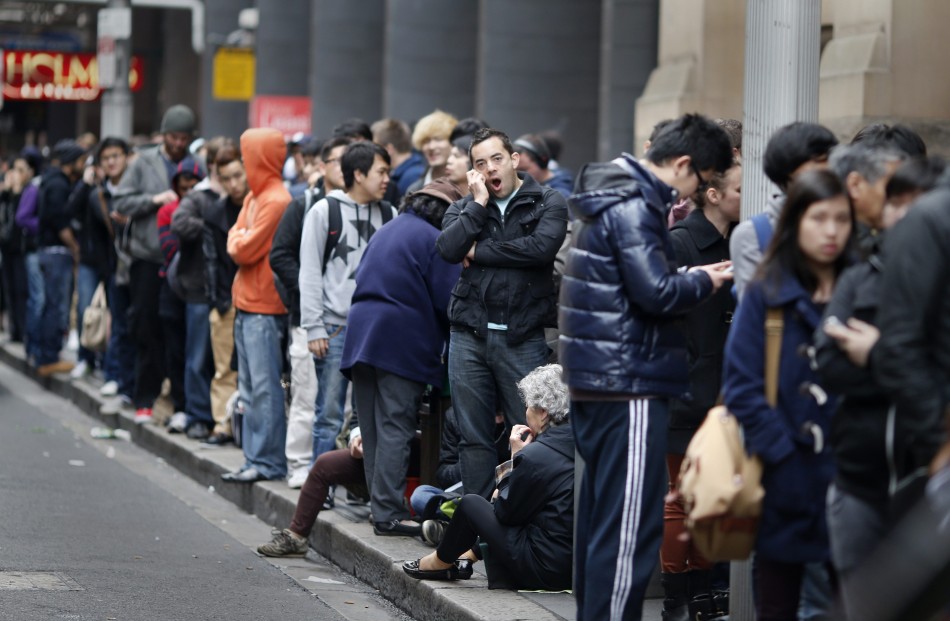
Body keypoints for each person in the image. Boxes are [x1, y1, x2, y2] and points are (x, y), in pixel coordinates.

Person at [559, 113, 734, 621]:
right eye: (700, 182)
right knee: (629, 532)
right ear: (682, 164)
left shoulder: (614, 194)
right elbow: (655, 292)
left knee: (606, 524)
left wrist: (689, 273)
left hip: (601, 377)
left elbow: (633, 282)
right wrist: (705, 281)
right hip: (629, 380)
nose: (694, 196)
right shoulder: (636, 204)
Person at [815, 156, 946, 619]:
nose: (906, 218)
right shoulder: (858, 276)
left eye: (917, 205)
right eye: (898, 204)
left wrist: (876, 352)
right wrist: (896, 364)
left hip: (926, 470)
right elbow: (829, 359)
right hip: (859, 473)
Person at [722, 169, 854, 621]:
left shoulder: (866, 290)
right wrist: (781, 455)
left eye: (842, 218)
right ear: (797, 221)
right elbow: (741, 385)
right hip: (786, 474)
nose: (832, 230)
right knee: (777, 600)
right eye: (819, 218)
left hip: (855, 475)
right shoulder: (768, 291)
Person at [436, 127, 568, 500]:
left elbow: (540, 250)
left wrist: (478, 252)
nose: (490, 168)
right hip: (469, 335)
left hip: (522, 337)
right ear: (473, 172)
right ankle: (472, 529)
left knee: (528, 430)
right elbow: (447, 248)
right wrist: (477, 205)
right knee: (472, 437)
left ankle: (518, 517)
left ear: (514, 160)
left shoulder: (548, 200)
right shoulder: (465, 207)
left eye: (496, 158)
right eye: (480, 163)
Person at [340, 180, 463, 537]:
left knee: (374, 427)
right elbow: (448, 301)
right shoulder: (434, 239)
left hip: (361, 336)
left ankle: (380, 509)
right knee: (396, 425)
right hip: (399, 340)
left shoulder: (388, 229)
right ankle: (390, 513)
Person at [403, 363, 574, 590]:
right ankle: (466, 557)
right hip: (577, 568)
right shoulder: (584, 444)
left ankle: (440, 562)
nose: (525, 412)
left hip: (544, 569)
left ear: (543, 413)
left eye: (528, 406)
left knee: (471, 504)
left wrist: (515, 459)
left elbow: (505, 513)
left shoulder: (537, 454)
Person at [662, 158, 742, 619]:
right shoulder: (682, 242)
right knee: (680, 497)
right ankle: (678, 598)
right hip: (687, 386)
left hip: (724, 387)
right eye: (738, 187)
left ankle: (704, 593)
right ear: (713, 194)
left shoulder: (738, 239)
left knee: (711, 496)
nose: (746, 194)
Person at [299, 142, 396, 466]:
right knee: (328, 413)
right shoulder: (324, 211)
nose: (387, 179)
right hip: (334, 326)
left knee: (368, 414)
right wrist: (314, 327)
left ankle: (358, 487)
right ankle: (321, 487)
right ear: (358, 173)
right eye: (381, 172)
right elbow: (310, 271)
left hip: (375, 330)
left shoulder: (389, 212)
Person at [113, 104, 204, 423]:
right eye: (173, 137)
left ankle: (181, 403)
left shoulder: (198, 164)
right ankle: (145, 398)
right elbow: (120, 201)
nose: (178, 143)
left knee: (181, 333)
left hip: (188, 261)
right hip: (148, 259)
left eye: (184, 138)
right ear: (164, 135)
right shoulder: (143, 163)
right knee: (146, 326)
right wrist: (154, 201)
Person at [270, 136, 351, 487]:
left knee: (341, 403)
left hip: (349, 321)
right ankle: (300, 465)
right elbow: (280, 256)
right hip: (308, 319)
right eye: (339, 162)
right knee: (306, 393)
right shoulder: (304, 204)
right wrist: (310, 291)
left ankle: (337, 469)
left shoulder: (370, 207)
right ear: (322, 166)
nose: (349, 170)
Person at [221, 128, 291, 483]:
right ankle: (254, 458)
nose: (245, 164)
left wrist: (239, 239)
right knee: (250, 388)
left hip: (265, 306)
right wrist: (239, 238)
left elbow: (242, 249)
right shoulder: (255, 197)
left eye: (249, 157)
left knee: (263, 388)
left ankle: (266, 461)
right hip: (249, 303)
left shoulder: (275, 200)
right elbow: (235, 240)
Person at [730, 122, 838, 299]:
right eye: (813, 172)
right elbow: (756, 310)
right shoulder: (754, 235)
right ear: (786, 175)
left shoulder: (847, 223)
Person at [67, 137, 135, 400]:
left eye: (116, 156)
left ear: (125, 157)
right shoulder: (95, 191)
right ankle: (86, 359)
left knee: (117, 319)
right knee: (86, 309)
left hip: (117, 264)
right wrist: (85, 184)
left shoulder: (130, 188)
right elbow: (69, 210)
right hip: (90, 260)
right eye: (106, 158)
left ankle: (113, 373)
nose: (111, 162)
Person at [199, 145, 247, 446]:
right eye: (226, 178)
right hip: (226, 299)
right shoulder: (215, 211)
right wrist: (218, 300)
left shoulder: (258, 205)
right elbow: (210, 260)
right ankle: (222, 424)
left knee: (255, 370)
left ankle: (245, 427)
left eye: (238, 176)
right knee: (224, 369)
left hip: (256, 299)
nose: (233, 184)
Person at [35, 140, 87, 376]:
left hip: (49, 252)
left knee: (52, 304)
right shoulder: (58, 184)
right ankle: (49, 357)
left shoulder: (51, 180)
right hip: (56, 252)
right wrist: (75, 247)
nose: (83, 165)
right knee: (56, 305)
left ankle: (46, 354)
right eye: (81, 161)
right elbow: (60, 222)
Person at [372, 118, 425, 205]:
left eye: (376, 147)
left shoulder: (412, 177)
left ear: (388, 149)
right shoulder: (404, 174)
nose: (372, 152)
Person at [406, 109, 458, 193]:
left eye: (438, 139)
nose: (431, 147)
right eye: (426, 141)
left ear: (452, 142)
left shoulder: (466, 185)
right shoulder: (414, 190)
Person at [513, 133, 573, 198]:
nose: (517, 176)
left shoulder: (560, 194)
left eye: (523, 169)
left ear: (542, 162)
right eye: (513, 170)